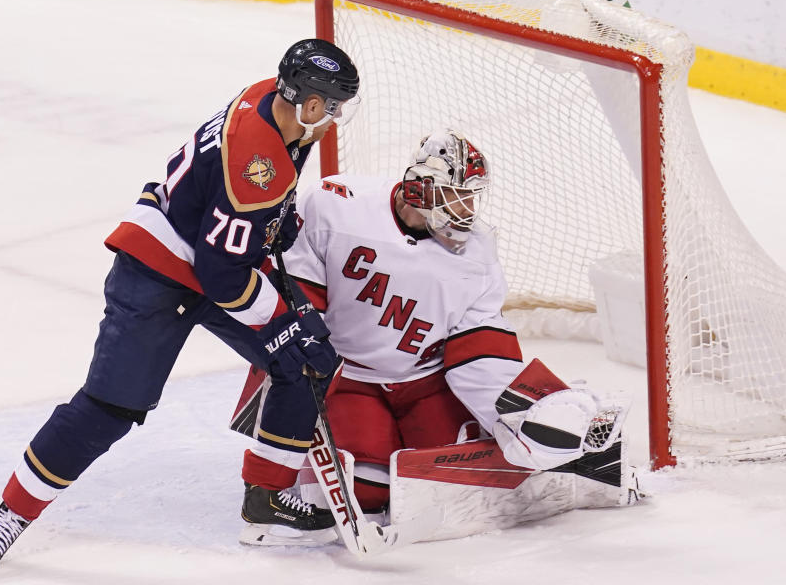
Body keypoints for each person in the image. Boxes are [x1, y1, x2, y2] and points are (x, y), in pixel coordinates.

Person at [0, 38, 360, 571]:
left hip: (213, 252)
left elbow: (230, 230)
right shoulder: (258, 158)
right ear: (311, 104)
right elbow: (222, 274)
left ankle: (264, 499)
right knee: (110, 407)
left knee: (311, 356)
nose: (336, 118)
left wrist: (273, 225)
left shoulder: (276, 102)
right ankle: (12, 512)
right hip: (158, 271)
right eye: (333, 106)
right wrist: (277, 324)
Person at [233, 130, 632, 544]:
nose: (467, 210)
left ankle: (566, 414)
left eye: (473, 196)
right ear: (420, 188)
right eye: (456, 195)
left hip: (427, 380)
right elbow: (295, 303)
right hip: (347, 377)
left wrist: (517, 413)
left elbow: (478, 347)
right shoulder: (337, 206)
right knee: (367, 491)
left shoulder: (477, 253)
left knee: (459, 469)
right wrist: (300, 375)